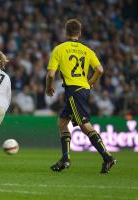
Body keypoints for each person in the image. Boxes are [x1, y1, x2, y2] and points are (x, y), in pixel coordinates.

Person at [45, 19, 116, 174]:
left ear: (66, 32)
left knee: (85, 126)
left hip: (73, 91)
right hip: (82, 89)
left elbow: (51, 74)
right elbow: (100, 70)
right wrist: (90, 82)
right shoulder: (87, 50)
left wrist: (49, 87)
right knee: (62, 123)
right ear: (80, 32)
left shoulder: (59, 49)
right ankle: (65, 159)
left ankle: (108, 157)